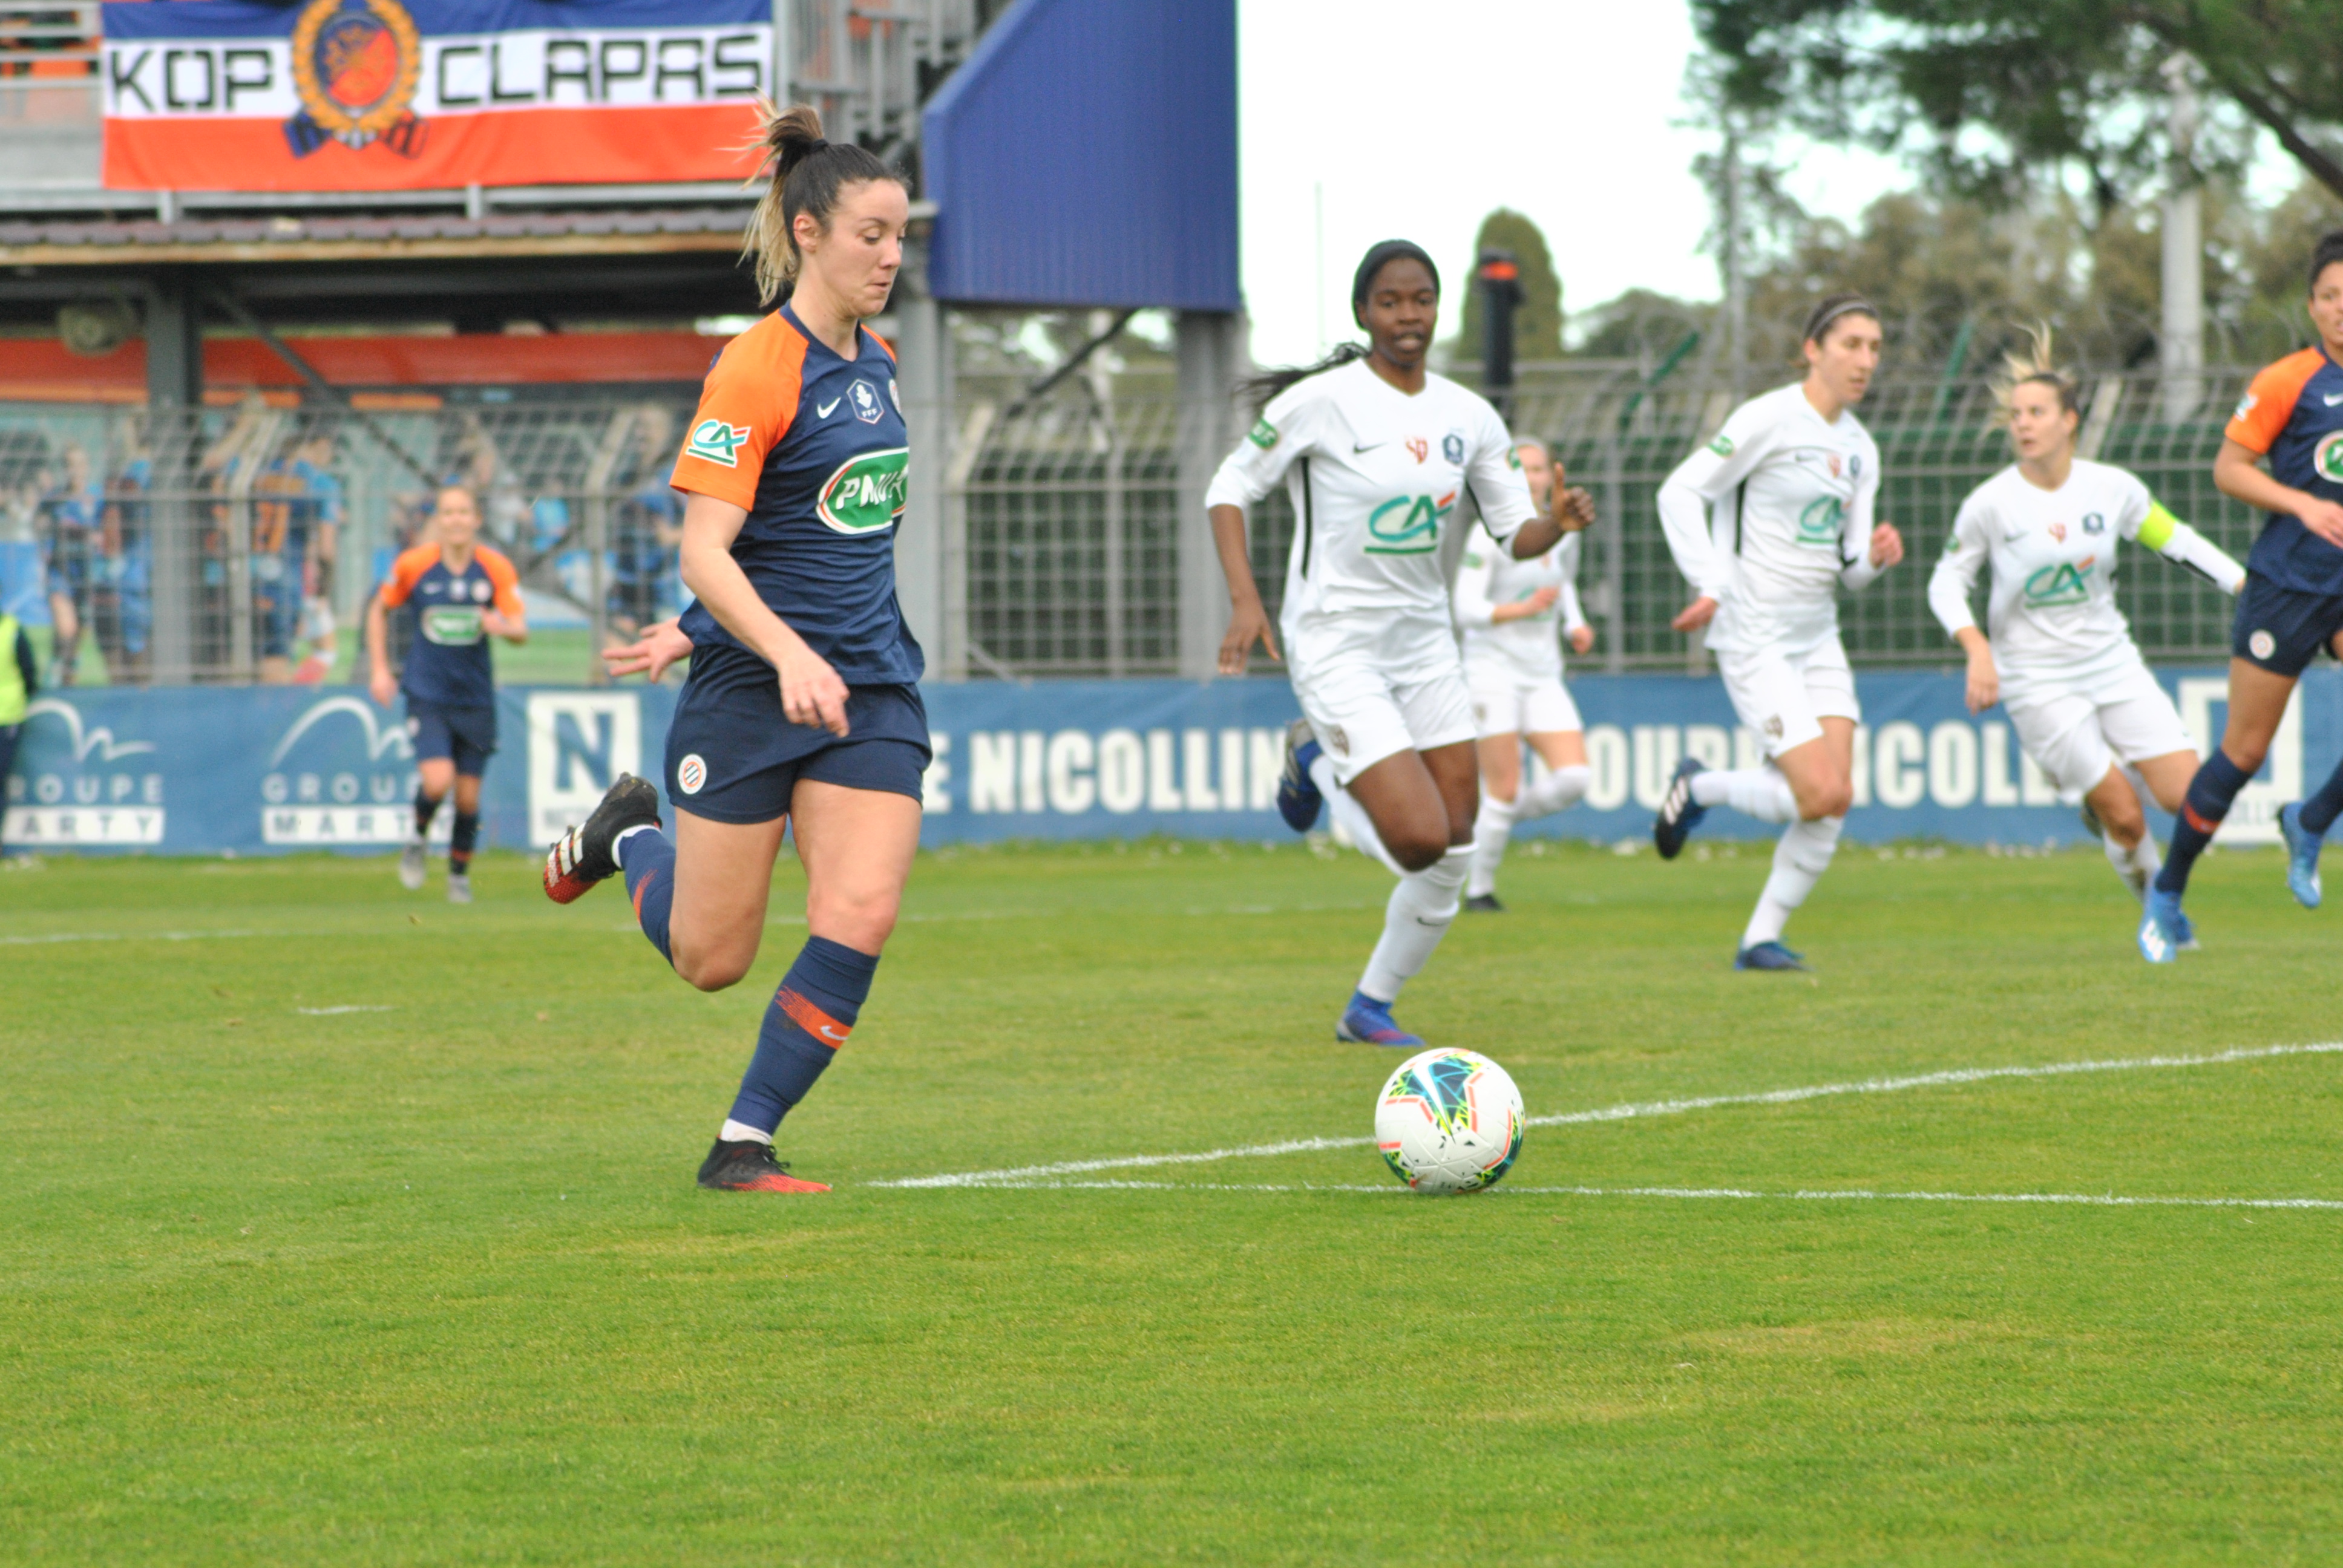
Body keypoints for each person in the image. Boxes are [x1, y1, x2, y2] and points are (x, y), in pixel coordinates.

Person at [537, 105, 923, 1195]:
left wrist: (722, 626)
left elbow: (818, 539)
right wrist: (754, 641)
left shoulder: (883, 365)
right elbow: (706, 548)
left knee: (860, 909)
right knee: (713, 959)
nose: (891, 255)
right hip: (755, 691)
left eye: (900, 236)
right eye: (871, 235)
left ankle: (741, 1141)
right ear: (809, 233)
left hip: (870, 689)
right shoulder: (756, 366)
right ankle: (626, 841)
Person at [1205, 240, 1593, 1047]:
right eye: (1390, 302)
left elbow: (1513, 531)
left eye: (1420, 300)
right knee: (1417, 837)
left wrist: (1554, 523)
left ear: (1437, 308)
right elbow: (1230, 486)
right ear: (1363, 313)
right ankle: (1314, 757)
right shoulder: (1324, 402)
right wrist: (1246, 600)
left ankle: (1368, 1008)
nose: (1407, 316)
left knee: (1457, 840)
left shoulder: (1468, 415)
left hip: (1425, 646)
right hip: (1336, 640)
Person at [1928, 333, 2244, 907]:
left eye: (2037, 413)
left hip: (2111, 663)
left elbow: (2175, 540)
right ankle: (2161, 913)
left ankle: (2099, 794)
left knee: (2192, 797)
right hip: (2036, 679)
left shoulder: (2111, 488)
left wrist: (2243, 583)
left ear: (2070, 420)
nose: (2023, 424)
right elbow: (1945, 582)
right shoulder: (1991, 503)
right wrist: (1977, 648)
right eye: (2016, 415)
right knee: (2126, 817)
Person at [1649, 293, 1906, 970]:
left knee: (1834, 798)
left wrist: (1872, 559)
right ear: (1811, 349)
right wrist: (1709, 581)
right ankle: (1698, 790)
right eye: (1850, 343)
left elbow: (1847, 569)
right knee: (1818, 793)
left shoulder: (1860, 448)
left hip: (1817, 635)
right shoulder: (1767, 418)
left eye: (1874, 348)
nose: (1864, 360)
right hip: (1753, 633)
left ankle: (1759, 939)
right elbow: (1678, 492)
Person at [2140, 230, 2343, 957]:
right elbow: (2229, 469)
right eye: (2328, 297)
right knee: (2243, 749)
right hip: (2287, 584)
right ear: (2312, 305)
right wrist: (2300, 505)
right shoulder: (2289, 379)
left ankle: (2311, 819)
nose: (2339, 310)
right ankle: (2166, 891)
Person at [1450, 437, 1595, 912]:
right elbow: (1465, 607)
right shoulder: (1487, 533)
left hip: (1542, 670)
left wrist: (1574, 622)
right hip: (1491, 669)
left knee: (1574, 779)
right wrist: (1520, 610)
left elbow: (1563, 581)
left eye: (1539, 469)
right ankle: (1478, 892)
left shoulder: (1564, 529)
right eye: (1523, 469)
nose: (1533, 478)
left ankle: (1493, 822)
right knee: (1504, 787)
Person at [366, 485, 526, 904]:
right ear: (438, 520)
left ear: (476, 519)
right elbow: (378, 609)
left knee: (469, 797)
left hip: (475, 697)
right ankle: (418, 836)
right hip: (428, 693)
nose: (456, 520)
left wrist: (502, 627)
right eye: (448, 512)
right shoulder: (414, 565)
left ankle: (458, 875)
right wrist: (381, 669)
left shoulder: (495, 568)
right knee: (438, 781)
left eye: (464, 512)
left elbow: (520, 629)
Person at [39, 442, 103, 686]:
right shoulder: (55, 498)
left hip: (89, 577)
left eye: (79, 464)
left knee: (76, 639)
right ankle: (52, 681)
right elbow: (40, 524)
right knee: (67, 629)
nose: (75, 470)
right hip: (61, 575)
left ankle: (66, 684)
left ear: (87, 467)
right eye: (69, 465)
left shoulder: (97, 497)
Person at [0, 603, 35, 857]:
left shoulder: (12, 630)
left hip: (7, 716)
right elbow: (30, 674)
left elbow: (29, 674)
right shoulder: (12, 629)